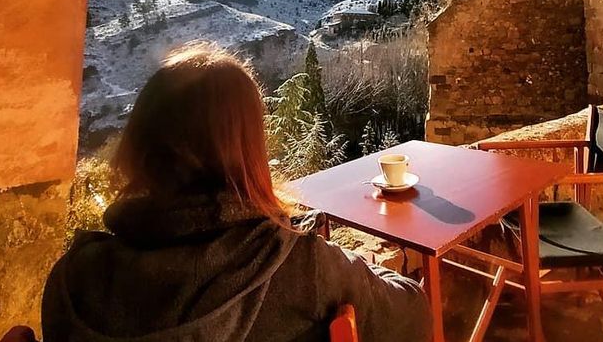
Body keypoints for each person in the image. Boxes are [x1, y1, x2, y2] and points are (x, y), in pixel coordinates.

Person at [41, 42, 432, 342]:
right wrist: (359, 268)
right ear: (248, 150)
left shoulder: (73, 281)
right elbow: (414, 313)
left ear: (140, 144)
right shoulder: (301, 267)